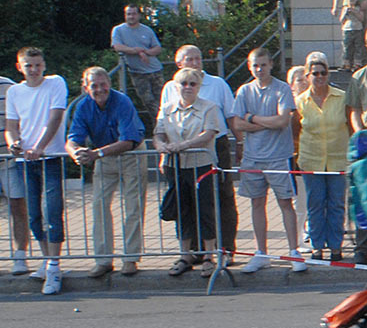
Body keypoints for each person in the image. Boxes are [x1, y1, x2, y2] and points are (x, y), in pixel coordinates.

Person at [63, 66, 144, 278]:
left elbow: (128, 141)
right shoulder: (83, 106)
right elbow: (72, 139)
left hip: (130, 153)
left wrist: (95, 154)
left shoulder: (122, 101)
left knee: (133, 205)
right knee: (99, 205)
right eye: (94, 86)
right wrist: (75, 153)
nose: (99, 89)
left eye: (103, 84)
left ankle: (131, 258)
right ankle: (103, 259)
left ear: (110, 84)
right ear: (85, 87)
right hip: (102, 155)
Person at [230, 48, 306, 274]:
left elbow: (283, 120)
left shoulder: (282, 89)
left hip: (278, 157)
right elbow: (237, 124)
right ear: (249, 67)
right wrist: (265, 123)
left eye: (263, 65)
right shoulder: (244, 91)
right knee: (256, 203)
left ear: (270, 64)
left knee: (285, 203)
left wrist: (252, 118)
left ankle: (294, 251)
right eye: (255, 65)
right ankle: (261, 252)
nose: (259, 69)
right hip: (253, 158)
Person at [5, 47, 67, 292]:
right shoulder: (15, 92)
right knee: (33, 214)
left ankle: (54, 265)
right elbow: (11, 126)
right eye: (28, 66)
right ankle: (45, 258)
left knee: (52, 211)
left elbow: (55, 118)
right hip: (25, 160)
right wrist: (14, 143)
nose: (33, 70)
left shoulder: (55, 83)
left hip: (50, 156)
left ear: (44, 65)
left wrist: (40, 147)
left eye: (37, 65)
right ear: (20, 67)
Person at [155, 68, 227, 277]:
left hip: (201, 165)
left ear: (198, 87)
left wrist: (183, 145)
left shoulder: (209, 107)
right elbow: (158, 133)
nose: (187, 87)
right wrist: (160, 146)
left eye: (192, 84)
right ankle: (185, 254)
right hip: (176, 166)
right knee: (181, 209)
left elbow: (208, 134)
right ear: (175, 86)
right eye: (183, 83)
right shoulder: (167, 108)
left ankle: (208, 255)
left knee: (204, 208)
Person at [294, 53, 350, 261]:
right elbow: (294, 130)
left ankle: (336, 246)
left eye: (323, 72)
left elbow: (350, 126)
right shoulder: (300, 102)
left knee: (336, 204)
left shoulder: (342, 97)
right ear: (307, 76)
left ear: (328, 74)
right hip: (311, 160)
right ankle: (317, 246)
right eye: (314, 73)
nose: (319, 77)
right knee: (315, 204)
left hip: (337, 159)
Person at [110, 4, 165, 122]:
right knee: (148, 101)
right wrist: (136, 51)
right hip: (138, 72)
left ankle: (163, 126)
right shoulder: (118, 30)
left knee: (162, 101)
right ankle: (160, 123)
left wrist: (145, 51)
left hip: (155, 70)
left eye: (134, 14)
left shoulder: (147, 30)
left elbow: (157, 48)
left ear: (139, 15)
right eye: (128, 14)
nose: (131, 16)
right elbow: (117, 47)